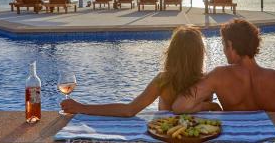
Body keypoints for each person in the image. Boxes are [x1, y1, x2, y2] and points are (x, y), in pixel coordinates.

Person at [60, 26, 221, 117]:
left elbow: (129, 110)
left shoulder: (163, 80)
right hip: (197, 139)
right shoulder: (206, 81)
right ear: (200, 55)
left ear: (172, 53)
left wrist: (82, 107)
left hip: (164, 137)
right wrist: (212, 106)